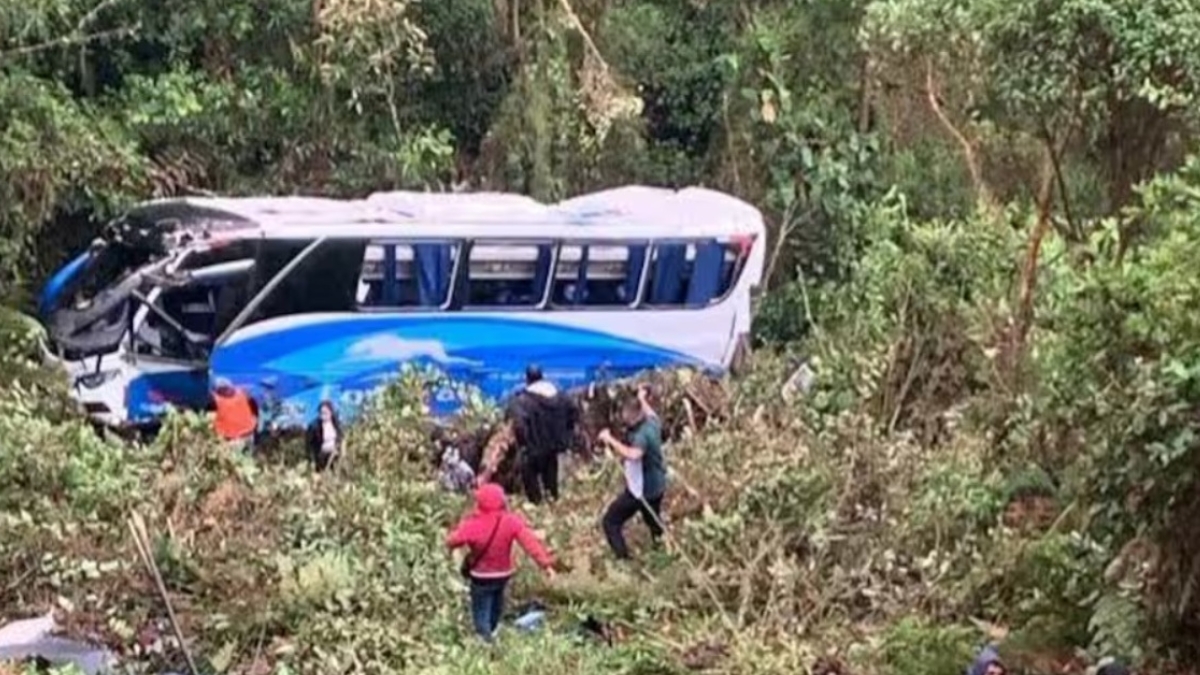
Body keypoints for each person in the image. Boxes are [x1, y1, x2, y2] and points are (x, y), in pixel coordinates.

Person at [446, 483, 556, 642]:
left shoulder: (473, 524)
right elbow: (530, 543)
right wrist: (545, 564)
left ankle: (484, 640)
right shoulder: (511, 521)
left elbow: (453, 540)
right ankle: (493, 631)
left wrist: (450, 542)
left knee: (481, 609)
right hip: (502, 574)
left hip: (481, 576)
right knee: (496, 605)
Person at [487, 365, 578, 504]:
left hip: (533, 448)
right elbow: (573, 412)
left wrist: (524, 443)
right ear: (542, 376)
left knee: (530, 478)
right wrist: (565, 434)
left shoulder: (522, 401)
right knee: (551, 478)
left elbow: (519, 424)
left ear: (527, 379)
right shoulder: (561, 396)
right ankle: (553, 502)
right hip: (554, 447)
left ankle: (536, 504)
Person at [597, 386, 666, 560]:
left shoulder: (640, 436)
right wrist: (642, 398)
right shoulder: (652, 423)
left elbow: (634, 454)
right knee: (653, 521)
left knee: (610, 521)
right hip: (658, 484)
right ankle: (661, 550)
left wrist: (610, 440)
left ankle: (623, 560)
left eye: (625, 414)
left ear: (633, 416)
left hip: (640, 490)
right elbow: (650, 412)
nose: (623, 418)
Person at [211, 377, 257, 451]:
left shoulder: (216, 401)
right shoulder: (242, 393)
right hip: (249, 434)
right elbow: (254, 412)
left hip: (233, 440)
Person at [305, 400, 341, 471]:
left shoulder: (335, 422)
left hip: (334, 454)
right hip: (321, 456)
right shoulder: (314, 426)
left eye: (325, 413)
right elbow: (308, 445)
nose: (323, 415)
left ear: (331, 412)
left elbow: (340, 435)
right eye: (321, 413)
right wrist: (311, 460)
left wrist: (338, 448)